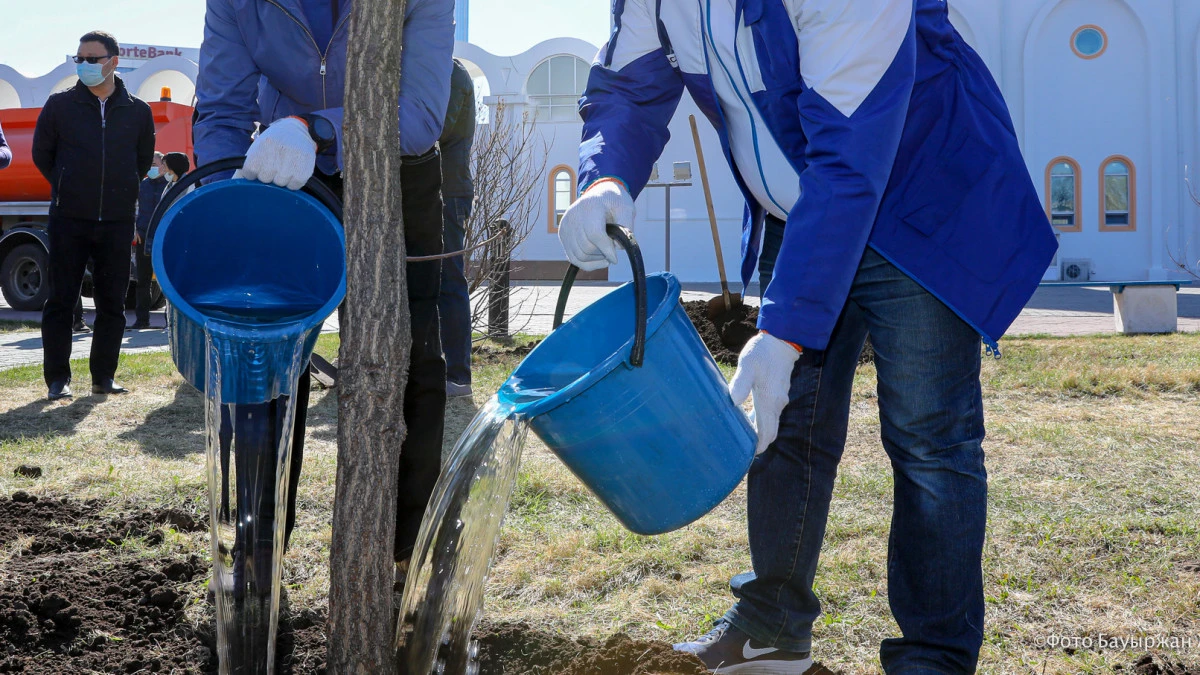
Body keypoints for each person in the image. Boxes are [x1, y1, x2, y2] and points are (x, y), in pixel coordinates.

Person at [557, 1, 1057, 673]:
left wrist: (787, 331)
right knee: (786, 426)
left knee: (929, 435)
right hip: (799, 207)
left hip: (915, 197)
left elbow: (851, 156)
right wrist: (606, 176)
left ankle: (934, 657)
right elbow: (626, 85)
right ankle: (771, 629)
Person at [194, 0, 455, 594]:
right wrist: (222, 199)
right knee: (266, 361)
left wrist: (316, 126)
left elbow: (416, 114)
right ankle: (258, 556)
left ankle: (406, 556)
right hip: (286, 171)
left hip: (396, 164)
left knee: (407, 357)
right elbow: (222, 110)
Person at [32, 31, 156, 401]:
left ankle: (104, 376)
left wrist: (119, 193)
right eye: (79, 58)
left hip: (117, 221)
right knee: (61, 301)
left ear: (113, 61)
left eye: (92, 58)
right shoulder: (59, 106)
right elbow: (43, 155)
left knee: (113, 303)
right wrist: (69, 186)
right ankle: (58, 379)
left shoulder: (139, 111)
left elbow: (140, 161)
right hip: (69, 218)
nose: (84, 65)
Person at [439, 59, 476, 398]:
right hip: (438, 190)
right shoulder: (441, 68)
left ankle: (458, 375)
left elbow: (437, 128)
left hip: (446, 193)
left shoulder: (451, 73)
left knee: (449, 280)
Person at [130, 151, 166, 329]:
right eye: (149, 165)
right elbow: (131, 207)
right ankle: (142, 320)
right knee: (142, 281)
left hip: (163, 238)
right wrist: (134, 229)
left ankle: (169, 322)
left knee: (166, 281)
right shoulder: (142, 184)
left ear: (163, 164)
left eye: (154, 164)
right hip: (143, 236)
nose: (151, 168)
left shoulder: (169, 184)